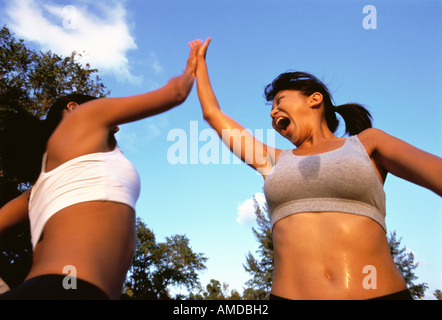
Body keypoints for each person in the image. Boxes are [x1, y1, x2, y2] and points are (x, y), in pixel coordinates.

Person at [195, 38, 442, 300]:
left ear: (315, 99)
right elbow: (213, 114)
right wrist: (199, 66)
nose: (272, 113)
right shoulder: (273, 159)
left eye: (279, 102)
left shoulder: (367, 143)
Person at [0, 40, 202, 300]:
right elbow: (175, 93)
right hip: (66, 289)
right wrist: (192, 66)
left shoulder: (41, 187)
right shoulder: (85, 117)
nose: (117, 125)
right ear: (73, 108)